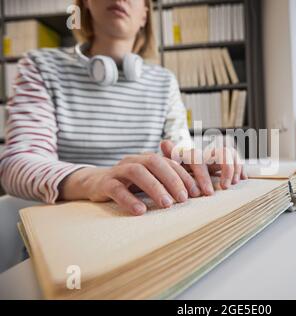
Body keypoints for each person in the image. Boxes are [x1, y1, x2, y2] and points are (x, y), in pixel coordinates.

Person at [0, 0, 246, 217]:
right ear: (85, 2)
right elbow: (18, 165)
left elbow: (179, 148)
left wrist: (200, 162)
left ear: (145, 15)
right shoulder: (40, 67)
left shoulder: (163, 81)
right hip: (70, 225)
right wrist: (96, 180)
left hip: (145, 217)